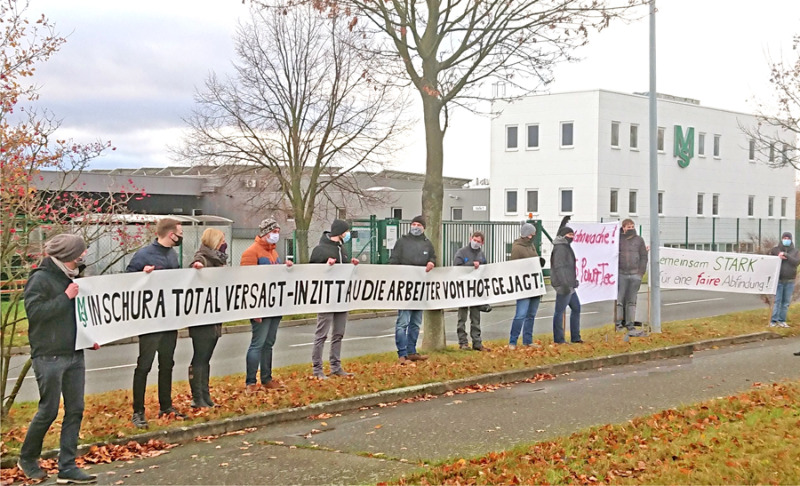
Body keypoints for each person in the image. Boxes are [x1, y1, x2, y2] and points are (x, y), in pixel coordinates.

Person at [18, 233, 98, 484]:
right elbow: (36, 313)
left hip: (75, 352)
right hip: (49, 355)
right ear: (69, 255)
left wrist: (90, 337)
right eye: (81, 251)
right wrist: (65, 297)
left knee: (76, 409)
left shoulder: (72, 277)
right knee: (49, 410)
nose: (84, 255)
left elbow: (80, 315)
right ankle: (27, 458)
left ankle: (67, 466)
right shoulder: (41, 279)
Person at [128, 218, 186, 429]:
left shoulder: (172, 254)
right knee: (144, 365)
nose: (181, 237)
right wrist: (142, 276)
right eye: (179, 232)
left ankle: (166, 405)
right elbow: (127, 280)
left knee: (167, 363)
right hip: (150, 320)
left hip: (168, 318)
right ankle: (138, 411)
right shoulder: (143, 255)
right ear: (171, 234)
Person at [241, 218, 293, 394]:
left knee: (269, 343)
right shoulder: (251, 253)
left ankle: (266, 378)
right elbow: (246, 282)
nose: (276, 235)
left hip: (274, 305)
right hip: (260, 306)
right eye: (274, 231)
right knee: (258, 343)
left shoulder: (274, 253)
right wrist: (252, 308)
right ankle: (250, 382)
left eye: (278, 231)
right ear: (265, 232)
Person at [309, 219, 360, 379]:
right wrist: (325, 266)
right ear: (340, 232)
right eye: (346, 231)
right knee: (322, 334)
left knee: (338, 333)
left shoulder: (342, 249)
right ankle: (317, 369)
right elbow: (311, 272)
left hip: (342, 297)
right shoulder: (320, 250)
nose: (348, 234)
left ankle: (335, 366)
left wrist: (350, 265)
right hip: (326, 297)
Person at [187, 228, 227, 408]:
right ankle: (197, 397)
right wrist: (196, 270)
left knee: (206, 358)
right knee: (200, 357)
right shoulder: (201, 259)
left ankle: (205, 394)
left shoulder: (218, 262)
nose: (223, 243)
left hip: (214, 317)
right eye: (221, 240)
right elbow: (191, 276)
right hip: (202, 319)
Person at [389, 215, 435, 364]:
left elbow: (433, 258)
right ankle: (402, 354)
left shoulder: (427, 244)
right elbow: (393, 261)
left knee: (415, 322)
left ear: (423, 228)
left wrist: (431, 263)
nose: (415, 226)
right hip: (405, 289)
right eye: (413, 224)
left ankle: (412, 351)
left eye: (418, 225)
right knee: (403, 322)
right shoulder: (402, 242)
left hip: (420, 289)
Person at [508, 223, 543, 349]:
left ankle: (528, 340)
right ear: (527, 234)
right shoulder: (517, 248)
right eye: (532, 233)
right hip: (524, 286)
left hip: (534, 286)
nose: (534, 235)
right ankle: (513, 341)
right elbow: (515, 266)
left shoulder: (531, 245)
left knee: (531, 314)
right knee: (521, 314)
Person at [454, 231, 489, 351]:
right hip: (463, 290)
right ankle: (463, 342)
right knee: (462, 318)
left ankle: (477, 342)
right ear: (471, 238)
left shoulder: (481, 254)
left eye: (479, 241)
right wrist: (469, 265)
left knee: (476, 318)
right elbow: (456, 268)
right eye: (474, 240)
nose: (476, 243)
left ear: (482, 243)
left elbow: (485, 269)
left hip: (475, 291)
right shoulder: (461, 252)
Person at [550, 219, 582, 344]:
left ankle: (575, 337)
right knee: (559, 312)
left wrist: (573, 281)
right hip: (564, 286)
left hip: (569, 284)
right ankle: (559, 339)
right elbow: (560, 267)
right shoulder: (561, 249)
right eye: (569, 235)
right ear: (564, 236)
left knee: (576, 308)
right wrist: (565, 284)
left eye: (573, 235)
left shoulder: (565, 247)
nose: (572, 237)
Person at [617, 219, 648, 331]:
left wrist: (641, 273)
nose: (631, 228)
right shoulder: (618, 240)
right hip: (621, 274)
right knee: (619, 301)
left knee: (631, 301)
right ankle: (619, 323)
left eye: (632, 226)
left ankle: (630, 324)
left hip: (635, 274)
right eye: (628, 227)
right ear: (623, 228)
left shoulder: (639, 240)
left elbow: (644, 257)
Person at [769, 231, 800, 328]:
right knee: (777, 301)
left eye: (788, 239)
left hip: (790, 280)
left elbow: (796, 262)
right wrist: (779, 255)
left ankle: (782, 320)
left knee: (785, 302)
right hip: (779, 280)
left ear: (791, 240)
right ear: (782, 239)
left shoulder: (795, 251)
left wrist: (786, 255)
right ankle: (773, 321)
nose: (786, 240)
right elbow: (771, 255)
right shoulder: (776, 249)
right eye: (784, 238)